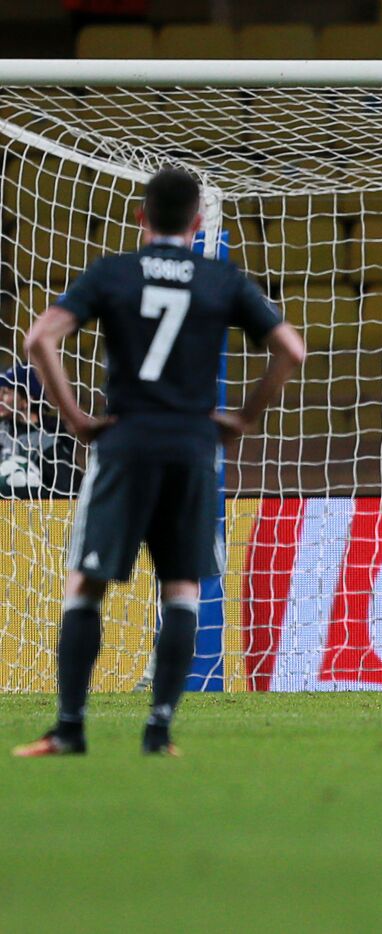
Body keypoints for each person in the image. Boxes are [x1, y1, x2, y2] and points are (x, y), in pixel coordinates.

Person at [13, 167, 305, 757]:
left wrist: (73, 417)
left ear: (142, 218)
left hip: (127, 441)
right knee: (181, 588)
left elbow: (40, 339)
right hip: (192, 449)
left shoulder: (114, 273)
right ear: (198, 222)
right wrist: (244, 417)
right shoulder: (221, 278)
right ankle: (160, 732)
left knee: (86, 584)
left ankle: (70, 728)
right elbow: (290, 349)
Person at [0, 363, 81, 498]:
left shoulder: (50, 440)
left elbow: (68, 494)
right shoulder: (3, 431)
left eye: (5, 393)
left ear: (28, 398)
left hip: (35, 516)